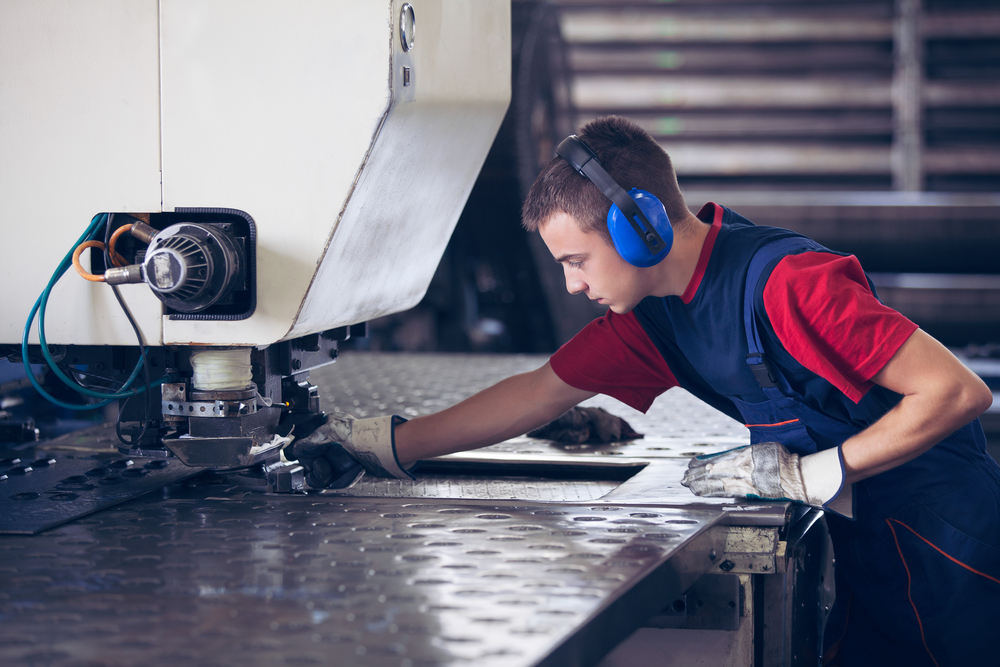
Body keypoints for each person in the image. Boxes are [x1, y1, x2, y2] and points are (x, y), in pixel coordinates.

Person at [289, 116, 999, 666]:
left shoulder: (790, 284)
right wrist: (386, 443)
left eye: (576, 259)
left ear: (640, 227)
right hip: (859, 548)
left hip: (946, 547)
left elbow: (956, 392)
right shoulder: (654, 319)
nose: (571, 282)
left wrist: (810, 470)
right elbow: (536, 393)